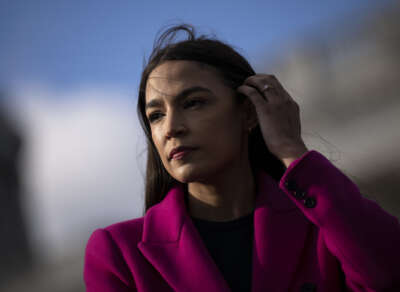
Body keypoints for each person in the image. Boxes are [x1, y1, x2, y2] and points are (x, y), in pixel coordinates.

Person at [83, 24, 400, 292]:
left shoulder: (323, 227)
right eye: (155, 115)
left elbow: (388, 272)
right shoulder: (118, 254)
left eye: (193, 103)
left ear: (249, 113)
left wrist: (291, 150)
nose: (171, 128)